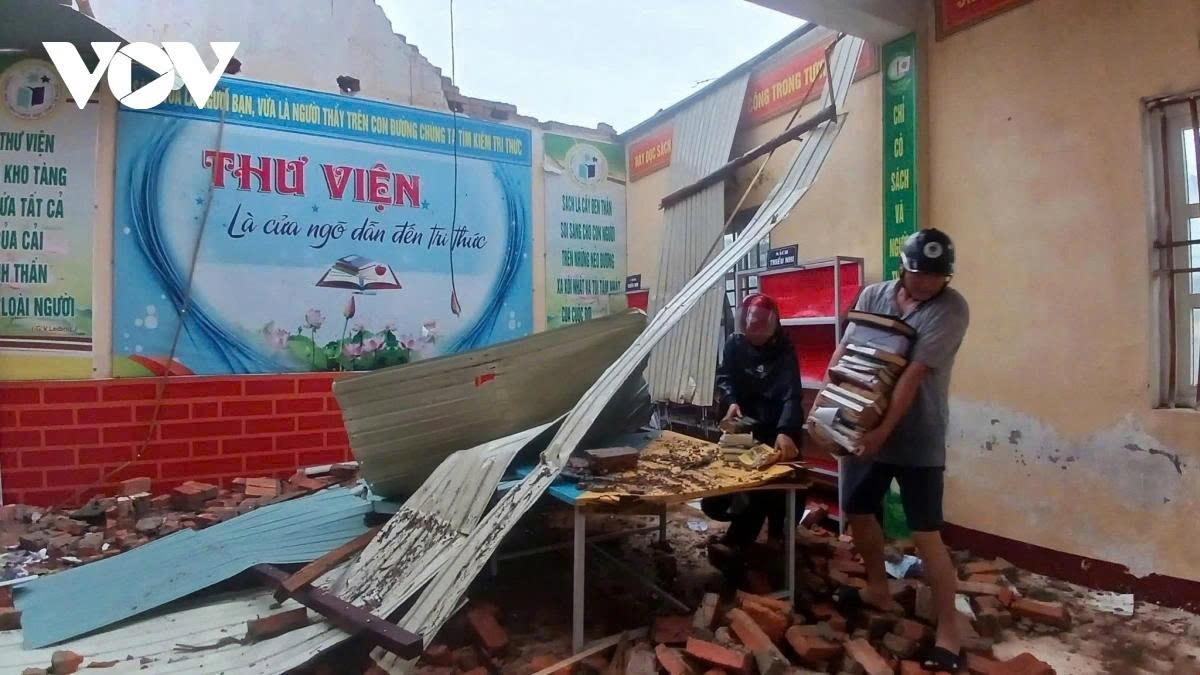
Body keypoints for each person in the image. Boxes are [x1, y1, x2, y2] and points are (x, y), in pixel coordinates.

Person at [825, 229, 970, 674]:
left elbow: (912, 376)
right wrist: (827, 409)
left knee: (926, 532)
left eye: (936, 276)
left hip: (916, 436)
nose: (926, 283)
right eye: (918, 273)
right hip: (860, 426)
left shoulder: (950, 309)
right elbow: (846, 352)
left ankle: (949, 629)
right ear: (902, 268)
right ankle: (876, 589)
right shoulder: (873, 295)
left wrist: (883, 432)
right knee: (859, 510)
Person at [702, 293, 804, 577]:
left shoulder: (784, 349)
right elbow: (725, 378)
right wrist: (730, 401)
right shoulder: (735, 345)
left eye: (760, 331)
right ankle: (742, 533)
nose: (754, 337)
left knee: (777, 488)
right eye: (750, 331)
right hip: (747, 425)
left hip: (778, 426)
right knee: (733, 486)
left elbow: (790, 394)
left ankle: (773, 539)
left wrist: (786, 431)